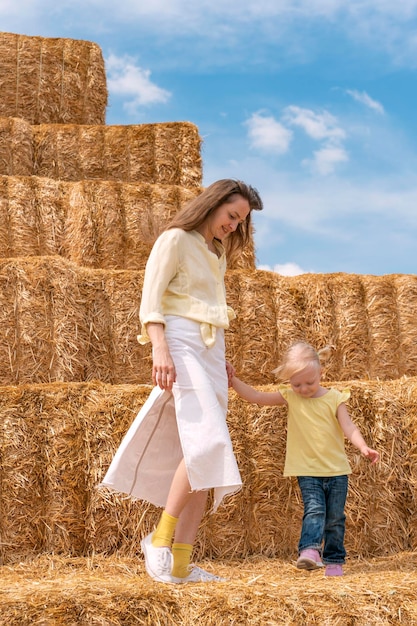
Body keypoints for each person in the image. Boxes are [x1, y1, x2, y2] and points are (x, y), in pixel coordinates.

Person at [101, 179, 263, 584]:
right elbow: (151, 299)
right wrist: (160, 348)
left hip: (211, 348)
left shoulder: (218, 252)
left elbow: (211, 306)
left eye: (241, 221)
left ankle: (180, 563)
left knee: (205, 455)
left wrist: (221, 360)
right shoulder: (175, 239)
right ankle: (159, 539)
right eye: (231, 216)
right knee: (209, 441)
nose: (233, 226)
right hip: (181, 340)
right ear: (212, 204)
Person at [230, 341, 380, 577]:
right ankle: (310, 551)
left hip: (337, 470)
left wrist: (363, 447)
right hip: (307, 469)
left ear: (321, 373)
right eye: (296, 384)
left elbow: (348, 426)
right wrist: (233, 381)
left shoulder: (335, 399)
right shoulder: (291, 397)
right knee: (315, 509)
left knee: (335, 518)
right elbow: (257, 396)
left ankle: (334, 561)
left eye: (309, 382)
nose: (303, 389)